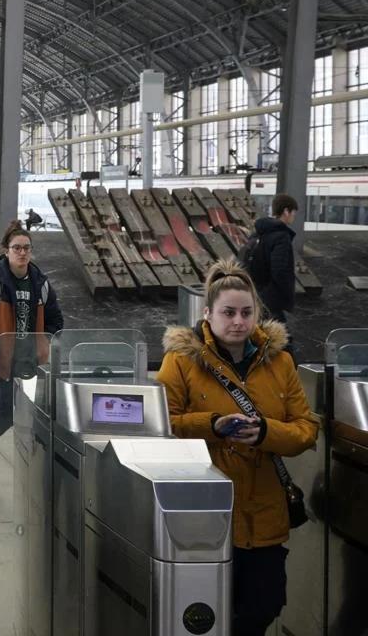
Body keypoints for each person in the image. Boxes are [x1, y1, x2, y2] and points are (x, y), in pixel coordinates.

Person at [158, 260, 317, 636]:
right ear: (208, 313)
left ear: (257, 314)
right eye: (228, 313)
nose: (238, 322)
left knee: (263, 606)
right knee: (203, 614)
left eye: (247, 313)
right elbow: (163, 424)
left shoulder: (280, 362)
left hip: (264, 518)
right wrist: (212, 425)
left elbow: (306, 429)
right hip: (202, 517)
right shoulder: (180, 362)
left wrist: (265, 433)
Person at [0, 221, 63, 480]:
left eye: (26, 248)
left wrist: (46, 341)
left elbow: (55, 319)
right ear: (6, 251)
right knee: (5, 412)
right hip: (4, 363)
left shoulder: (41, 284)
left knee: (37, 412)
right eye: (17, 248)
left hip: (34, 363)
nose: (22, 253)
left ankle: (33, 463)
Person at [250, 193, 298, 326]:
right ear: (286, 211)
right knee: (281, 337)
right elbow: (280, 269)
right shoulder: (281, 237)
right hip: (272, 297)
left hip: (256, 292)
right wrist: (287, 293)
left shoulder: (259, 232)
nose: (294, 216)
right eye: (293, 212)